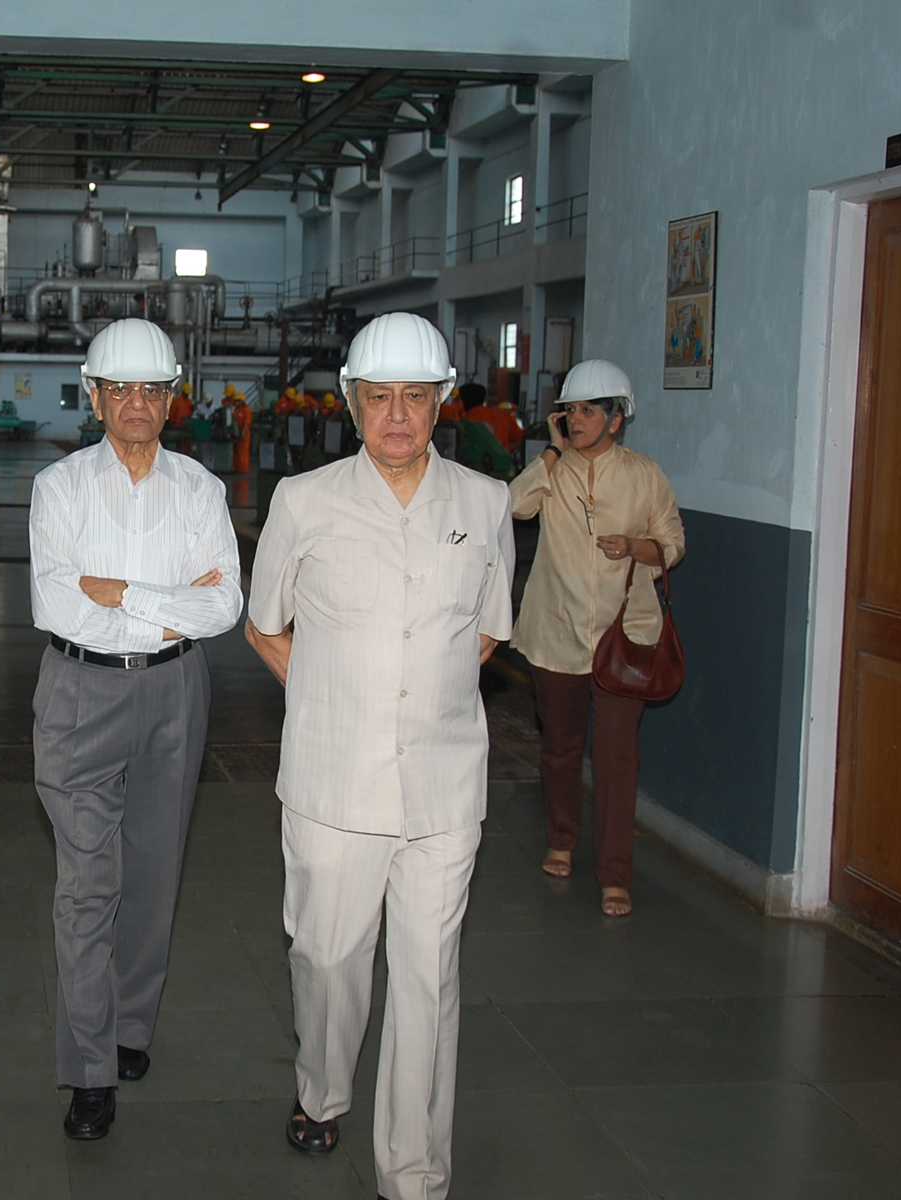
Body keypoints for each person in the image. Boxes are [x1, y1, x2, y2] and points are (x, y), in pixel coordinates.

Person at [245, 312, 514, 1200]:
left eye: (415, 397)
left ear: (441, 402)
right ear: (351, 403)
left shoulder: (484, 504)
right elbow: (265, 625)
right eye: (379, 397)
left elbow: (486, 634)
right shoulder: (304, 501)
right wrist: (334, 696)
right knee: (327, 959)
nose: (397, 415)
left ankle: (414, 1173)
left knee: (429, 980)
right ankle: (322, 1089)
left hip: (443, 786)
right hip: (332, 782)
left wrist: (417, 693)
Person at [28, 319, 243, 1141]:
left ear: (172, 398)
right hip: (79, 692)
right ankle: (89, 1071)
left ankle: (129, 1028)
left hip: (176, 691)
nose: (137, 403)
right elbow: (58, 604)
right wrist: (171, 603)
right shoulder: (59, 488)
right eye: (120, 389)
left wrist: (124, 593)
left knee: (154, 872)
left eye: (152, 389)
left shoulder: (199, 490)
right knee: (88, 885)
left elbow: (223, 606)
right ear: (94, 398)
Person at [509, 359, 684, 918]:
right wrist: (552, 452)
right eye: (570, 410)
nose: (577, 419)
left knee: (616, 758)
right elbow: (512, 505)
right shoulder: (553, 471)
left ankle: (615, 874)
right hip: (555, 631)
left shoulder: (644, 475)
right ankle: (562, 840)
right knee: (560, 747)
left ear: (616, 419)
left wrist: (633, 547)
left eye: (589, 410)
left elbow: (672, 545)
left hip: (623, 638)